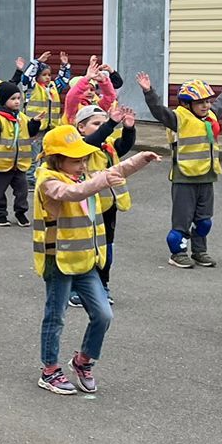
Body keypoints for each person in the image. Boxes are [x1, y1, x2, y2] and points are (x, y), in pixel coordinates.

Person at [32, 125, 158, 395]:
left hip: (87, 260)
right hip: (60, 260)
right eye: (75, 159)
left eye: (83, 159)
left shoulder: (83, 177)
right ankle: (50, 370)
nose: (82, 164)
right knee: (56, 317)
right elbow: (71, 194)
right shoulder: (48, 179)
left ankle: (83, 361)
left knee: (103, 314)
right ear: (57, 159)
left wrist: (140, 159)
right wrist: (101, 181)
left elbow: (113, 172)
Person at [140, 72, 222, 268]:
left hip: (207, 176)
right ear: (187, 104)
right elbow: (158, 111)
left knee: (204, 221)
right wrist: (148, 91)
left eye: (207, 101)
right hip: (184, 178)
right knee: (182, 222)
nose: (205, 106)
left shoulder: (210, 115)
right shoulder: (179, 118)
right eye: (200, 102)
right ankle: (177, 253)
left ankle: (199, 251)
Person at [72, 102, 138, 304]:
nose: (102, 127)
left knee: (106, 248)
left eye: (103, 123)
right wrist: (110, 123)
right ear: (81, 127)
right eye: (96, 123)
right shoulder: (79, 145)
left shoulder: (107, 145)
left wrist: (128, 128)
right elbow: (92, 141)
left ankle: (102, 284)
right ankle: (77, 288)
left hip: (108, 206)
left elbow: (124, 146)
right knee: (84, 248)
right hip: (85, 207)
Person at [0, 81, 40, 228]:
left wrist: (35, 122)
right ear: (3, 100)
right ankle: (0, 214)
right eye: (13, 99)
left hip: (19, 163)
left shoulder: (21, 117)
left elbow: (31, 132)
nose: (17, 102)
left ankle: (21, 212)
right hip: (0, 164)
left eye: (18, 98)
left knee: (22, 191)